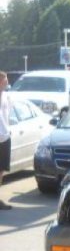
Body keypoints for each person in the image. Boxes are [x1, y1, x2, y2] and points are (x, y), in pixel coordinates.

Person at [0, 71, 12, 209]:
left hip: (5, 137)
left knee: (1, 169)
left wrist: (7, 130)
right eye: (5, 80)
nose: (7, 82)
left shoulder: (7, 97)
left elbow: (7, 115)